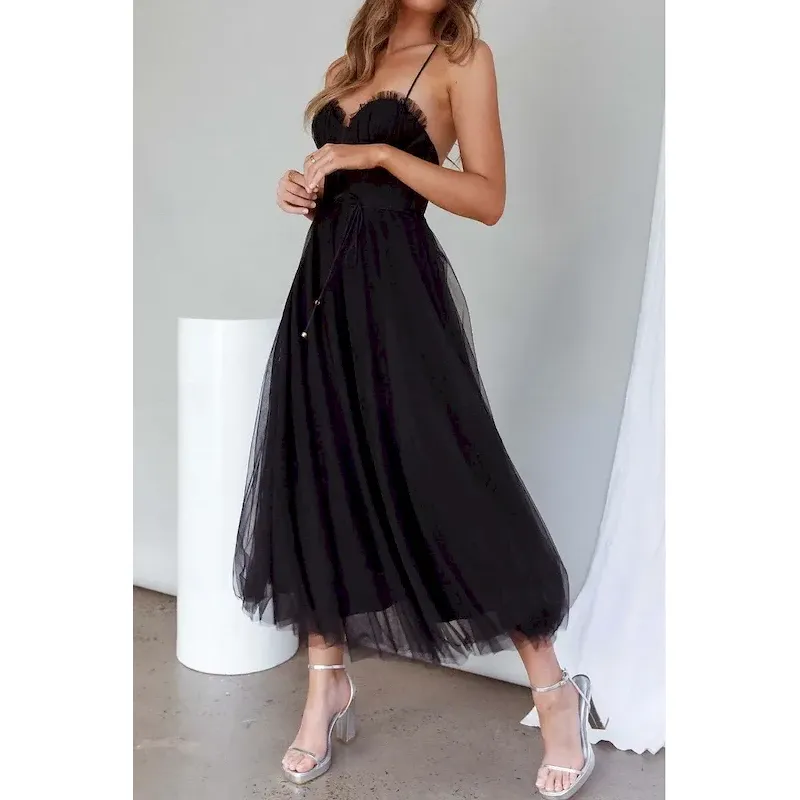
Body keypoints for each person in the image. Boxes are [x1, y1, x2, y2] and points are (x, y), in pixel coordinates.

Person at [234, 1, 601, 796]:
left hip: (398, 296)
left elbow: (487, 198)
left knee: (451, 476)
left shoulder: (463, 58)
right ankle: (326, 687)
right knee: (319, 477)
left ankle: (556, 694)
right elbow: (341, 186)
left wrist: (379, 153)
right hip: (322, 297)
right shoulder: (350, 65)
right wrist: (302, 186)